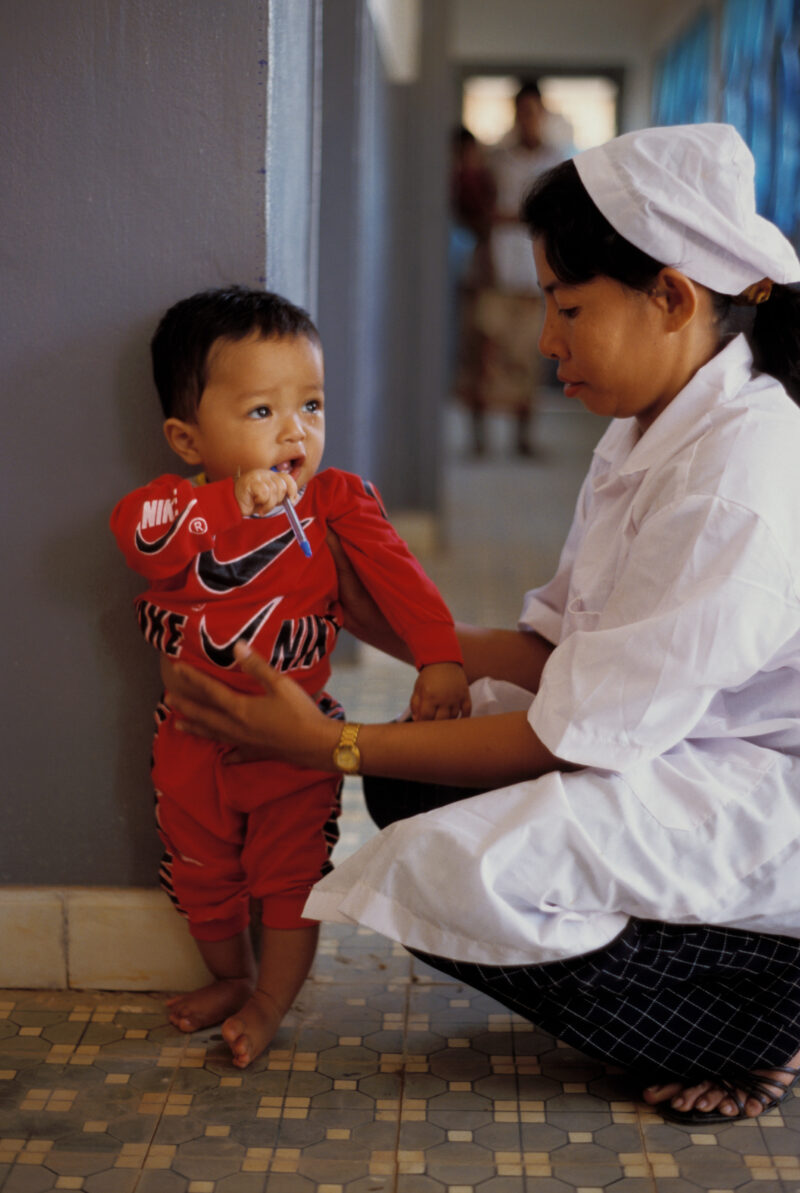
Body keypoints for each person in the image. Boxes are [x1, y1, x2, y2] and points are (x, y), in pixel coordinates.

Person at [162, 124, 800, 1122]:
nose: (545, 338)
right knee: (415, 772)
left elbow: (569, 728)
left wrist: (322, 742)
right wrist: (368, 611)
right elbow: (558, 648)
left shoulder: (738, 479)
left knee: (430, 867)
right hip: (664, 736)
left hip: (750, 783)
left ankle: (752, 1017)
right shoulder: (651, 422)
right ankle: (705, 984)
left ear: (671, 296)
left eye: (567, 304)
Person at [110, 287, 470, 1068]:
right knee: (201, 872)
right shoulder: (171, 508)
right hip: (193, 742)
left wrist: (439, 656)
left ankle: (271, 997)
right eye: (261, 412)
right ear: (187, 436)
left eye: (309, 403)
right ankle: (232, 976)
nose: (295, 430)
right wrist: (232, 500)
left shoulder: (336, 501)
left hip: (297, 738)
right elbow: (140, 542)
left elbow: (403, 580)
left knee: (288, 877)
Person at [456, 82, 570, 457]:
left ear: (543, 114)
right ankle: (479, 439)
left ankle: (522, 439)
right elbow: (472, 212)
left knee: (528, 359)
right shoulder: (496, 161)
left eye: (534, 112)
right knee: (484, 355)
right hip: (495, 273)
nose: (528, 119)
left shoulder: (558, 163)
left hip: (536, 278)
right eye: (522, 112)